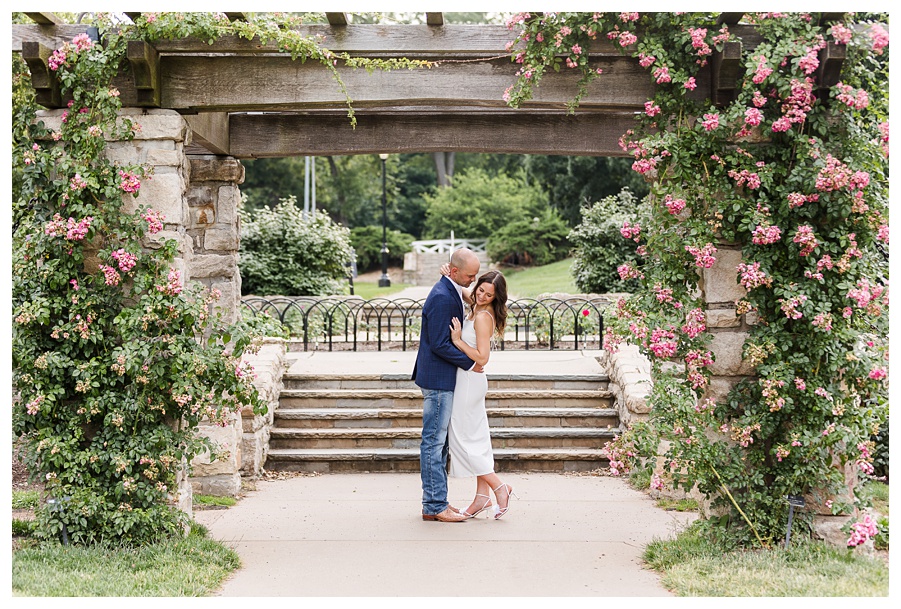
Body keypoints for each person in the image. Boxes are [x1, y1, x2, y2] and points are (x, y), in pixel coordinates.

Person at [413, 248, 483, 523]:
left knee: (439, 445)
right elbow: (440, 343)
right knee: (433, 443)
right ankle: (434, 505)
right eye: (470, 276)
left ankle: (437, 502)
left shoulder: (451, 287)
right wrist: (471, 363)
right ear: (454, 272)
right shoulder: (442, 297)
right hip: (438, 380)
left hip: (441, 378)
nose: (473, 280)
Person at [444, 267, 519, 520]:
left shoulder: (484, 317)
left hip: (469, 382)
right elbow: (465, 291)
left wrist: (457, 341)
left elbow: (483, 357)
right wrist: (447, 275)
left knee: (461, 440)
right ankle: (481, 497)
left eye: (489, 295)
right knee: (476, 439)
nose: (482, 296)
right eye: (481, 290)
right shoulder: (476, 303)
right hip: (469, 380)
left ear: (496, 298)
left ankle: (499, 487)